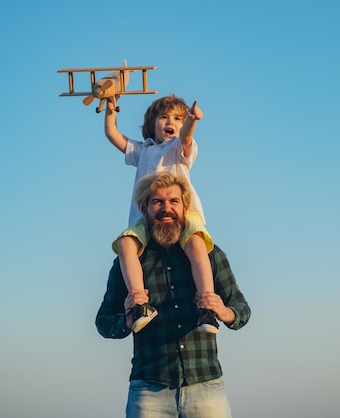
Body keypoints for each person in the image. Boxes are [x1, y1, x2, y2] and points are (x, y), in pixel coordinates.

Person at [96, 172, 251, 417]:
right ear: (144, 209)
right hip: (148, 390)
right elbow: (103, 322)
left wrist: (224, 312)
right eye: (157, 202)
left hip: (206, 387)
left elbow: (241, 309)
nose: (166, 209)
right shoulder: (128, 263)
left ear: (184, 207)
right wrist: (126, 320)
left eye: (173, 202)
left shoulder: (209, 255)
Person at [104, 94, 218, 333]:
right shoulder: (142, 150)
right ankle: (139, 304)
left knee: (195, 244)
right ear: (152, 123)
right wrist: (111, 108)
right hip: (147, 217)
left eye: (177, 118)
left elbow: (186, 135)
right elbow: (112, 135)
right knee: (125, 243)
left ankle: (206, 306)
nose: (171, 122)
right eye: (164, 117)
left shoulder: (179, 148)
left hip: (182, 214)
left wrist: (192, 120)